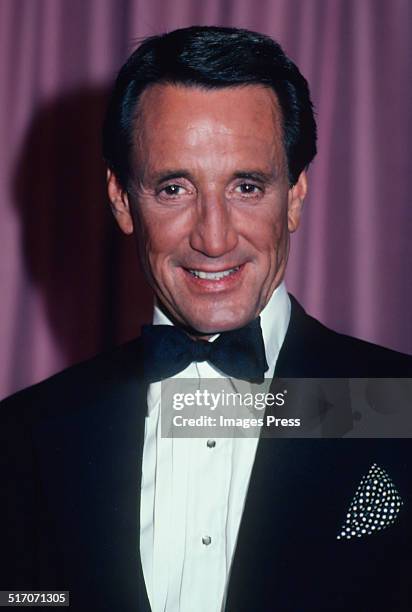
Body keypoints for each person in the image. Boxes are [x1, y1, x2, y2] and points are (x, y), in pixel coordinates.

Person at [1, 26, 411, 612]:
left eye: (246, 186)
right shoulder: (26, 434)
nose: (213, 238)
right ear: (121, 200)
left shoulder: (397, 406)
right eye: (174, 188)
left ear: (294, 195)